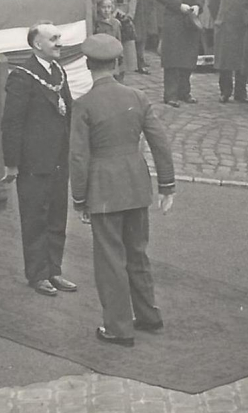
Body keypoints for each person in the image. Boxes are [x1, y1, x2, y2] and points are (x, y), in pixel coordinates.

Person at [69, 34, 176, 347]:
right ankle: (148, 315)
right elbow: (160, 142)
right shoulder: (137, 97)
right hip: (135, 184)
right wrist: (166, 184)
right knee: (137, 252)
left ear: (88, 65)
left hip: (103, 190)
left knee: (110, 259)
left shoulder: (83, 105)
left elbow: (78, 157)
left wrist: (79, 198)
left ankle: (118, 327)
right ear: (117, 64)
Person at [0, 23, 79, 296]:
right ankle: (37, 274)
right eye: (53, 39)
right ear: (37, 45)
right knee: (35, 218)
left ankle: (54, 270)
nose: (60, 43)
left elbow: (67, 113)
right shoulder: (22, 76)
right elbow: (11, 123)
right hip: (33, 162)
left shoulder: (58, 71)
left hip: (58, 159)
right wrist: (12, 163)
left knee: (57, 216)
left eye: (59, 38)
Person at [155, 0, 204, 107]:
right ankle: (171, 95)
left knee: (188, 59)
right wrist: (179, 5)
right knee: (172, 59)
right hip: (174, 19)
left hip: (190, 21)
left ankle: (185, 92)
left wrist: (198, 6)